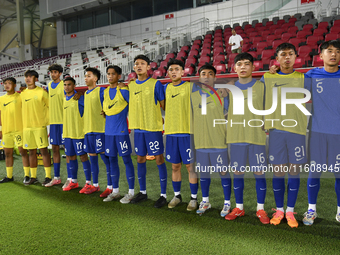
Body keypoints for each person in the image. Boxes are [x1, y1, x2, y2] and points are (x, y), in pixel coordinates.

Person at [261, 43, 309, 228]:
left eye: (291, 54)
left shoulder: (304, 77)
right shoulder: (267, 77)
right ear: (277, 59)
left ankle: (290, 211)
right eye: (283, 54)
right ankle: (279, 209)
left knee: (294, 171)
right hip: (276, 131)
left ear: (296, 56)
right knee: (279, 172)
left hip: (296, 130)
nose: (287, 57)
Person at [224, 53, 269, 224]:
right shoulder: (229, 89)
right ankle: (239, 208)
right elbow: (225, 112)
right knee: (238, 173)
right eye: (239, 64)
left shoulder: (262, 86)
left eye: (247, 64)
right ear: (234, 68)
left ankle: (260, 209)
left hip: (256, 137)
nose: (243, 67)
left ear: (253, 67)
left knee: (259, 174)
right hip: (236, 138)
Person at [302, 40, 340, 225]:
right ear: (321, 55)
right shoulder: (311, 75)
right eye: (330, 51)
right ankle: (311, 209)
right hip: (317, 132)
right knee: (314, 172)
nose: (334, 54)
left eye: (338, 52)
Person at [128, 54, 168, 208]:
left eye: (142, 63)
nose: (139, 66)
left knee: (159, 159)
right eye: (136, 64)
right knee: (140, 159)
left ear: (148, 67)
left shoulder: (155, 84)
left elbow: (164, 105)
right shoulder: (130, 85)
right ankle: (143, 192)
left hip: (153, 128)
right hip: (138, 129)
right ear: (133, 67)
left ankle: (163, 195)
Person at [192, 64, 232, 217]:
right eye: (203, 73)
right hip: (201, 140)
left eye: (210, 74)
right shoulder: (194, 95)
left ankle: (227, 202)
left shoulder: (223, 94)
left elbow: (229, 113)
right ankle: (205, 200)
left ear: (215, 78)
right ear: (199, 77)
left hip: (218, 140)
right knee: (204, 172)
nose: (207, 76)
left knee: (223, 171)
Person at [163, 59, 198, 211]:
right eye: (171, 69)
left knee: (190, 167)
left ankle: (194, 198)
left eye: (177, 69)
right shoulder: (164, 88)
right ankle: (177, 196)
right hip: (171, 133)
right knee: (175, 166)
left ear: (183, 72)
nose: (174, 72)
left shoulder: (191, 87)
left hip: (187, 133)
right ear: (168, 72)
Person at [102, 65, 135, 204]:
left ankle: (131, 192)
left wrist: (129, 85)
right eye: (108, 74)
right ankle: (115, 191)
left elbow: (134, 103)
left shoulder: (124, 90)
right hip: (108, 133)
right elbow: (106, 109)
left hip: (121, 131)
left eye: (113, 74)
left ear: (119, 76)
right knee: (111, 160)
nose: (110, 76)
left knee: (127, 160)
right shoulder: (105, 91)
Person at [81, 67, 112, 196]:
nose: (85, 78)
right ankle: (95, 185)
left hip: (101, 130)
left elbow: (110, 106)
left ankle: (111, 186)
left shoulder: (102, 91)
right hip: (88, 131)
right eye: (85, 76)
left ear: (95, 78)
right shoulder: (85, 94)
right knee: (92, 159)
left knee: (106, 160)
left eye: (88, 76)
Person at [21, 70, 51, 185]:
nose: (28, 78)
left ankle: (48, 176)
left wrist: (46, 121)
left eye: (31, 76)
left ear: (36, 79)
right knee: (31, 151)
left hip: (39, 126)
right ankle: (33, 177)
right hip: (27, 127)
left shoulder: (42, 92)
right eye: (26, 76)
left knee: (44, 150)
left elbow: (50, 107)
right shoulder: (22, 94)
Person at [62, 77, 91, 191]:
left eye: (69, 84)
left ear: (74, 86)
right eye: (65, 85)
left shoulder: (80, 98)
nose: (66, 87)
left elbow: (90, 108)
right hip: (67, 134)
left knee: (83, 156)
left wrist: (80, 93)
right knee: (70, 156)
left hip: (79, 133)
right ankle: (73, 181)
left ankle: (88, 182)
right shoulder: (63, 98)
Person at [0, 77, 30, 183]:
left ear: (14, 85)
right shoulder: (1, 99)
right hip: (6, 131)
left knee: (23, 152)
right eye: (5, 83)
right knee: (8, 153)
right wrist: (0, 129)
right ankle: (9, 176)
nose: (7, 85)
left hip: (19, 129)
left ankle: (27, 175)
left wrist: (25, 90)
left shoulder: (20, 96)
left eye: (10, 83)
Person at [44, 64, 65, 187]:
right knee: (55, 149)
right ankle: (56, 177)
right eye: (51, 72)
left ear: (60, 73)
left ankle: (71, 179)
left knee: (68, 152)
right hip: (53, 123)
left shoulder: (64, 85)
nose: (53, 74)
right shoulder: (49, 86)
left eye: (55, 72)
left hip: (64, 122)